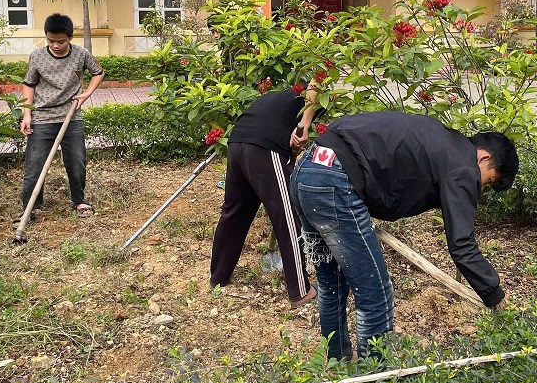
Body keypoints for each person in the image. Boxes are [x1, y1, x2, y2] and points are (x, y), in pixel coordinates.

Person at [289, 112, 518, 361]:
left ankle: (336, 362)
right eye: (488, 181)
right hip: (336, 180)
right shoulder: (463, 166)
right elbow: (462, 244)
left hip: (309, 168)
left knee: (332, 282)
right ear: (484, 157)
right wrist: (494, 296)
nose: (480, 188)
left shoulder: (440, 139)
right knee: (375, 294)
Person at [209, 87, 318, 307]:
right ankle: (300, 291)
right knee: (288, 216)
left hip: (237, 141)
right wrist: (305, 125)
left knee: (234, 211)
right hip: (265, 147)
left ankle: (218, 277)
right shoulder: (311, 87)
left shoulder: (282, 95)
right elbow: (315, 87)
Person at [20, 13, 104, 221]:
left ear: (70, 38)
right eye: (51, 41)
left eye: (61, 41)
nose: (55, 45)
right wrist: (27, 114)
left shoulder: (81, 54)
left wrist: (86, 94)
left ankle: (80, 200)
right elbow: (29, 85)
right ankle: (30, 208)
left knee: (76, 161)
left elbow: (98, 72)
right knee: (35, 164)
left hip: (71, 116)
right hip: (42, 117)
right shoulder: (37, 56)